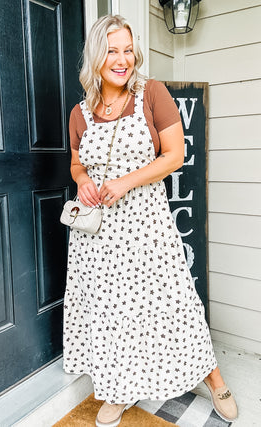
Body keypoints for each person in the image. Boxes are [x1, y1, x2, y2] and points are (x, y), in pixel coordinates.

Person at [63, 14, 238, 427]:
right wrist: (84, 180)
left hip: (146, 225)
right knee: (109, 311)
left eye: (128, 49)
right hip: (98, 235)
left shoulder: (151, 93)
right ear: (96, 56)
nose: (122, 60)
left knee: (174, 303)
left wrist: (124, 183)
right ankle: (117, 389)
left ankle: (215, 381)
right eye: (112, 51)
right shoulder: (80, 112)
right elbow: (75, 163)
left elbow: (173, 156)